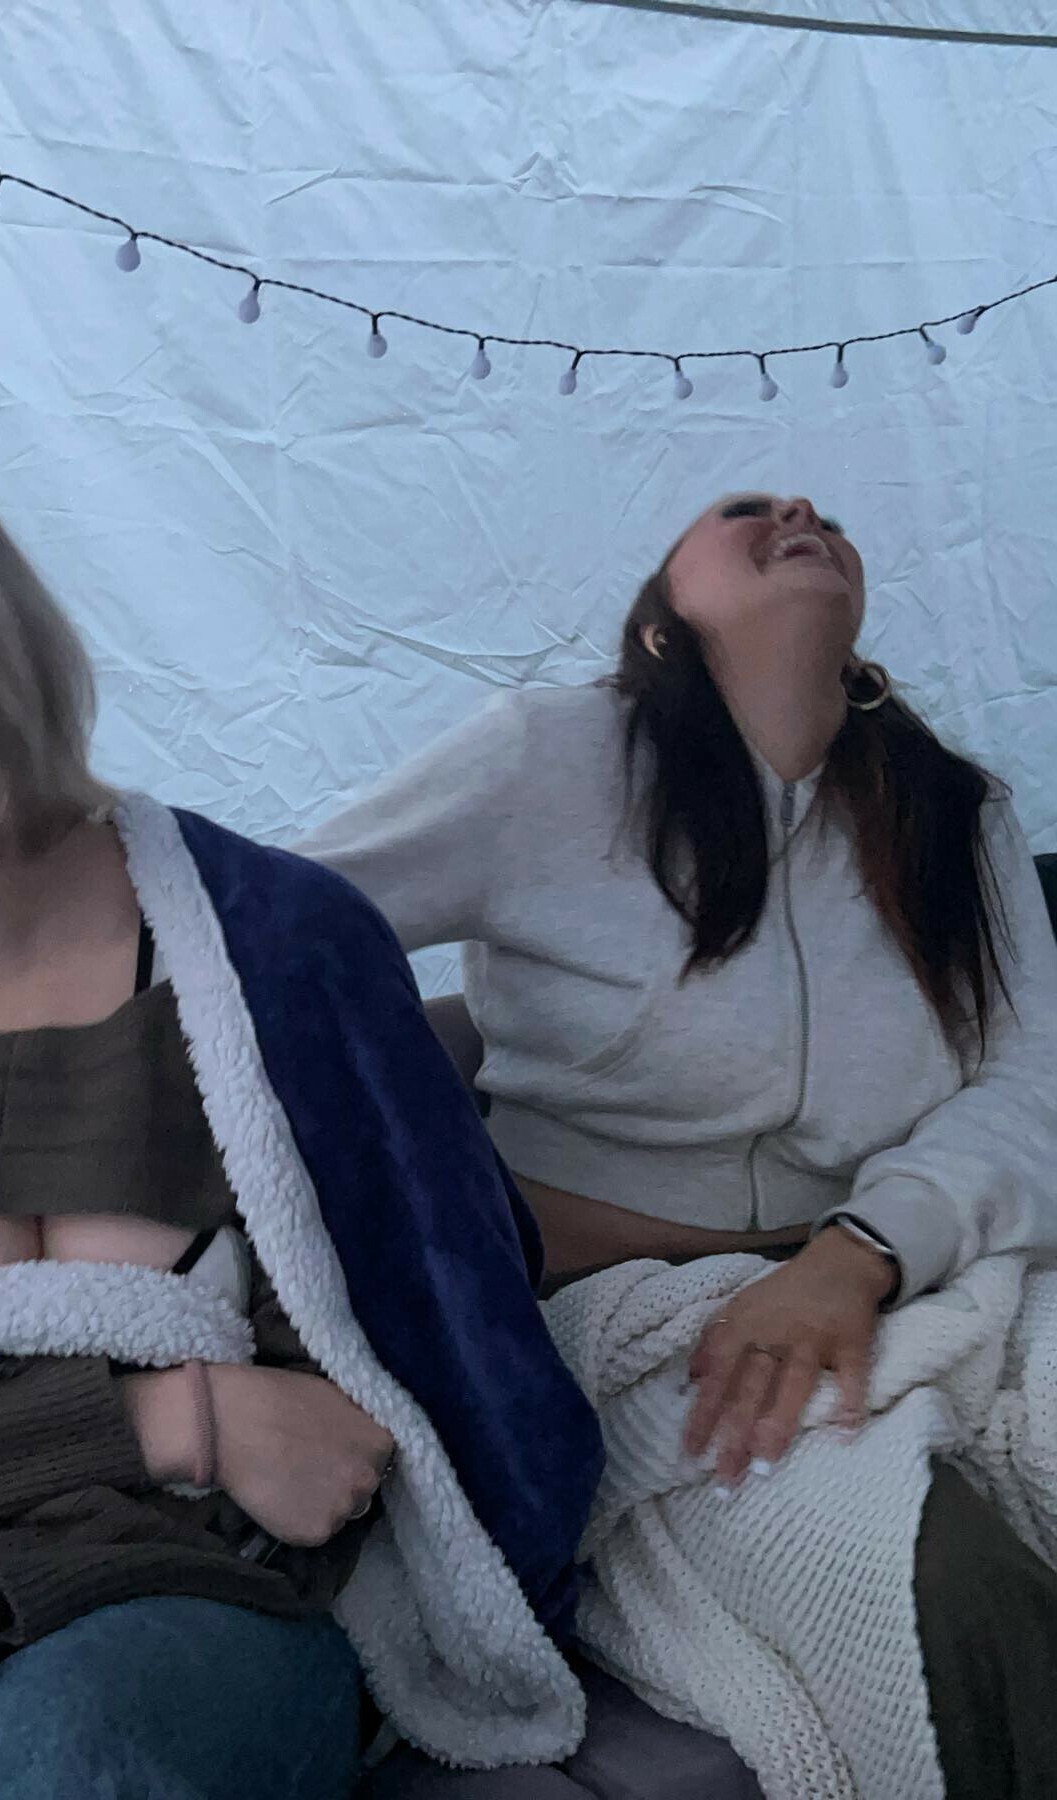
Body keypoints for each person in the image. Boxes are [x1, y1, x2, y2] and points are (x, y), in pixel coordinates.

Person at [0, 411, 603, 1800]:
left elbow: (383, 1422)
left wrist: (3, 1579)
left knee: (63, 1754)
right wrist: (171, 1421)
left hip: (204, 1621)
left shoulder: (281, 955)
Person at [299, 492, 1057, 1798]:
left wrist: (860, 1253)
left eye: (820, 512)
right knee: (928, 1572)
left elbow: (1030, 1081)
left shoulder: (954, 812)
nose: (797, 511)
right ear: (661, 621)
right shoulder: (545, 760)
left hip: (917, 1272)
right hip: (639, 1324)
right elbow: (263, 941)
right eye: (742, 511)